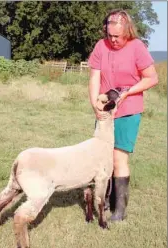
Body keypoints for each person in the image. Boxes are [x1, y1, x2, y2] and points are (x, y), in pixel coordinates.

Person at [88, 9, 158, 222]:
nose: (113, 40)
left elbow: (151, 78)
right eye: (110, 35)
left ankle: (119, 211)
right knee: (103, 156)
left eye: (117, 36)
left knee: (118, 158)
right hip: (106, 111)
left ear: (127, 31)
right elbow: (94, 77)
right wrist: (95, 105)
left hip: (129, 110)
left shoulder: (137, 47)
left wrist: (128, 91)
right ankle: (105, 200)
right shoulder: (101, 46)